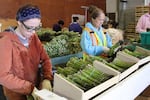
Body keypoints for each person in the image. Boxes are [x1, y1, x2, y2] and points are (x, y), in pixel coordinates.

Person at [0, 4, 53, 100]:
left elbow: (45, 59)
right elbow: (3, 76)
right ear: (19, 23)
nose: (33, 32)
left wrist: (47, 78)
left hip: (35, 89)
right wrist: (29, 88)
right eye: (29, 28)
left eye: (37, 28)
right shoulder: (5, 41)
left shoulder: (33, 37)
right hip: (16, 94)